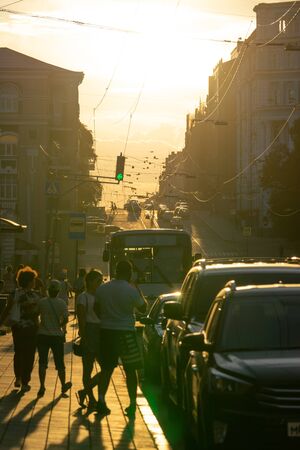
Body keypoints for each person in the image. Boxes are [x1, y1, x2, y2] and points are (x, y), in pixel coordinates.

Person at [94, 260, 147, 417]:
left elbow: (96, 309)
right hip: (126, 333)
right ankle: (131, 404)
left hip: (107, 332)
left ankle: (101, 400)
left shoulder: (102, 289)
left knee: (106, 369)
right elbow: (143, 309)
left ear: (116, 271)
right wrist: (137, 288)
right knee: (131, 370)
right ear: (129, 273)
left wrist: (106, 319)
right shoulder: (130, 290)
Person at [0, 266, 39, 392]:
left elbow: (7, 310)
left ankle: (18, 378)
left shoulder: (14, 294)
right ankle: (25, 381)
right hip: (31, 328)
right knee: (29, 354)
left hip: (17, 327)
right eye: (33, 280)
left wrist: (1, 322)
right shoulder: (36, 295)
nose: (35, 282)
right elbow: (38, 313)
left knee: (19, 352)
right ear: (28, 281)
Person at [37, 279, 72, 397]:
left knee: (42, 362)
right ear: (58, 291)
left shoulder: (41, 302)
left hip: (42, 335)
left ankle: (42, 386)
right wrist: (60, 326)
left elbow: (36, 315)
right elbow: (66, 318)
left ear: (48, 290)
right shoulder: (62, 303)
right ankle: (63, 386)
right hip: (57, 336)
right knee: (60, 363)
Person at [76, 270, 103, 409]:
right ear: (90, 282)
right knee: (88, 368)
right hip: (90, 332)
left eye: (102, 280)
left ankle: (84, 392)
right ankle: (91, 399)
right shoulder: (83, 297)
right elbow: (81, 319)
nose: (101, 283)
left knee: (107, 368)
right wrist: (84, 336)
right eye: (98, 281)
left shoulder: (102, 296)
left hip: (102, 332)